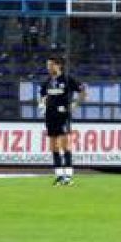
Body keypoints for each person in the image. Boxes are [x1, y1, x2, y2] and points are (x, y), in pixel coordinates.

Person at [39, 55, 85, 186]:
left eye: (51, 65)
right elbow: (42, 96)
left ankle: (68, 176)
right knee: (53, 145)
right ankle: (59, 176)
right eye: (48, 65)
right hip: (50, 116)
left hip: (63, 115)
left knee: (65, 145)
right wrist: (42, 104)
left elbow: (82, 91)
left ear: (58, 65)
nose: (48, 68)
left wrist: (75, 104)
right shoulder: (47, 82)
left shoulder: (67, 79)